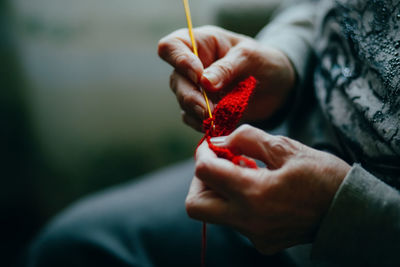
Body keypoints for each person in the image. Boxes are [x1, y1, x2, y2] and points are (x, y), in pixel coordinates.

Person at [26, 0, 400, 266]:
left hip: (358, 235)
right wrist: (285, 64)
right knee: (67, 248)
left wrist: (345, 213)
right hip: (267, 172)